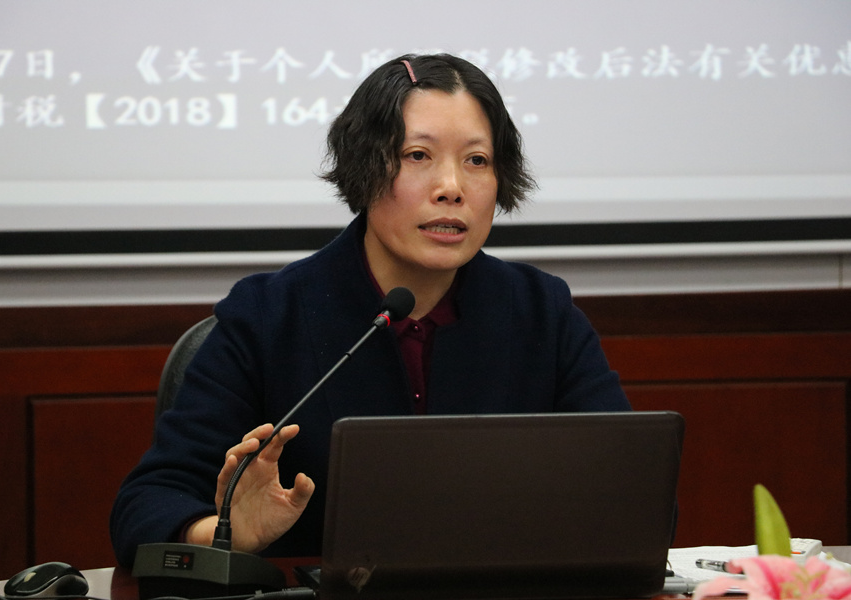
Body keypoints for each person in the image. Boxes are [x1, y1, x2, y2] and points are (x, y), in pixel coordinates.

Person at [110, 53, 630, 567]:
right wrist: (224, 533)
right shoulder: (268, 317)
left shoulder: (543, 313)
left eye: (477, 160)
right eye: (418, 155)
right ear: (364, 167)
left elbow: (630, 488)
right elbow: (147, 505)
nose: (452, 188)